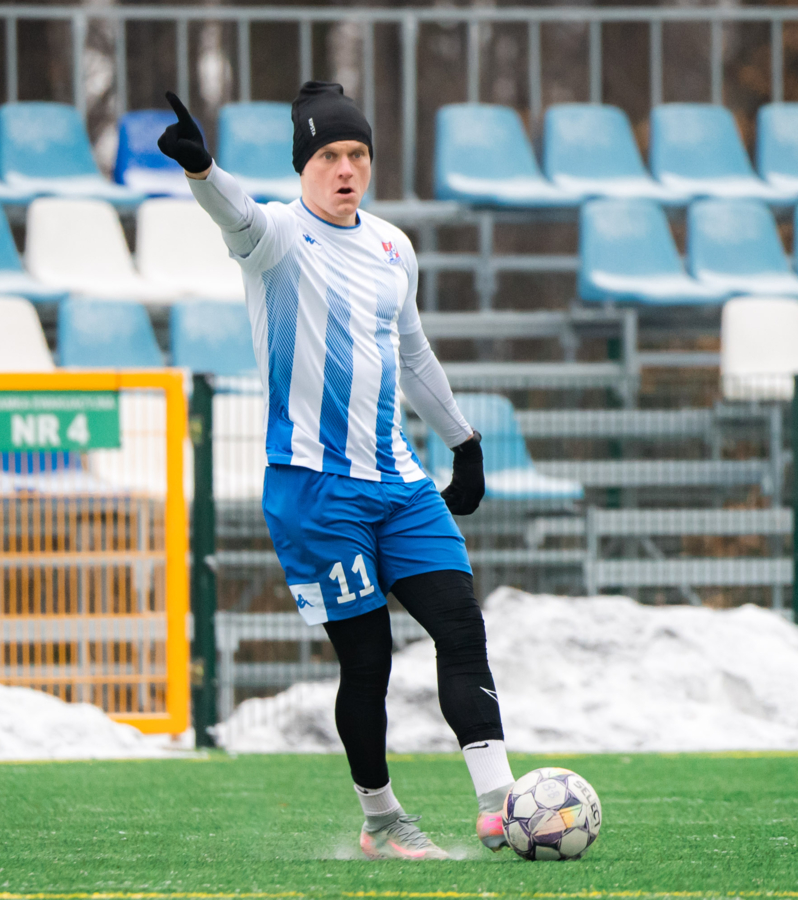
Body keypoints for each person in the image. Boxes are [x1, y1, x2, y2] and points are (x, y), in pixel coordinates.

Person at [157, 85, 515, 860]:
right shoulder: (279, 239)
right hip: (314, 491)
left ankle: (503, 807)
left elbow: (413, 354)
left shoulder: (393, 247)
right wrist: (203, 172)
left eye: (357, 153)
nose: (345, 168)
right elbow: (238, 217)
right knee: (368, 659)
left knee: (461, 628)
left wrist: (463, 441)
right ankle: (381, 819)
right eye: (328, 155)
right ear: (304, 166)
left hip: (400, 485)